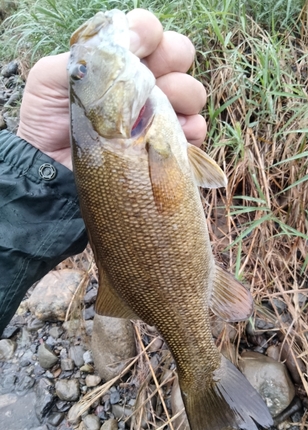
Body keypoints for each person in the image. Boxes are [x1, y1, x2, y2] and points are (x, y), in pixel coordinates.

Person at [0, 8, 207, 334]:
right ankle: (198, 359)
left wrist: (33, 168)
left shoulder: (129, 123)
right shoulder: (128, 127)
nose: (84, 66)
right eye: (80, 72)